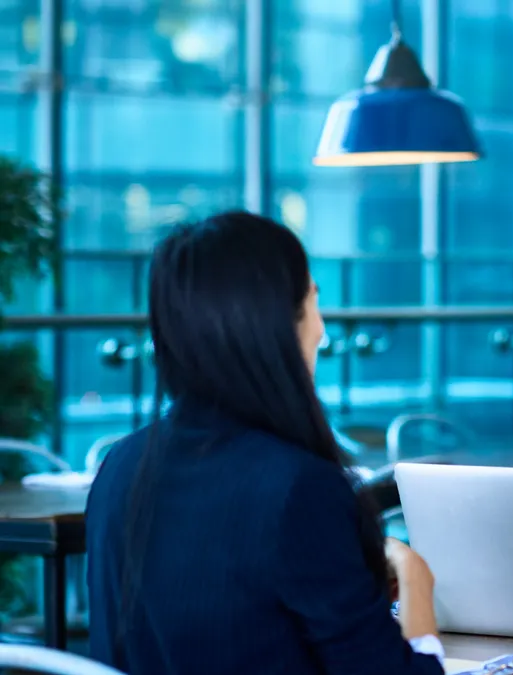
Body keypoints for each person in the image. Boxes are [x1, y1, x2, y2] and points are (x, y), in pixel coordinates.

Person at [86, 212, 444, 675]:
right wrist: (416, 581)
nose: (324, 331)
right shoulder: (300, 488)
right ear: (275, 324)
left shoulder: (120, 466)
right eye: (314, 301)